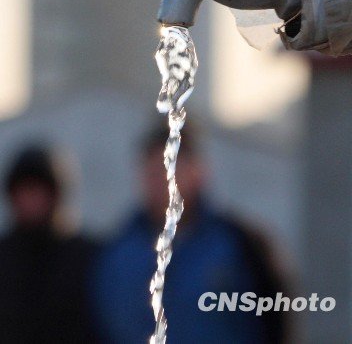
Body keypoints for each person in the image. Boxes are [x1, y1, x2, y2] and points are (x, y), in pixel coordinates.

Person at [91, 125, 293, 344]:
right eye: (152, 171)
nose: (161, 181)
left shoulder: (240, 245)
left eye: (171, 169)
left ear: (199, 171)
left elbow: (277, 319)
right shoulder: (115, 252)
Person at [0, 144, 97, 343]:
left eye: (38, 190)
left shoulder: (88, 258)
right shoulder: (4, 258)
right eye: (24, 191)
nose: (31, 199)